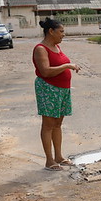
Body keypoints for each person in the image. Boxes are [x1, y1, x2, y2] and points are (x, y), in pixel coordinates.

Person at [33, 18, 81, 171]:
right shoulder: (41, 48)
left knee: (58, 124)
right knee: (48, 125)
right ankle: (49, 160)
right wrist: (67, 65)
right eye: (61, 31)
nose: (63, 35)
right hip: (48, 89)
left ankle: (59, 156)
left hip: (62, 89)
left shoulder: (56, 47)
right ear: (51, 31)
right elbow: (45, 71)